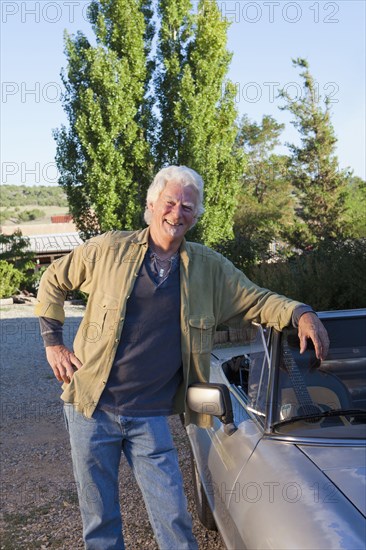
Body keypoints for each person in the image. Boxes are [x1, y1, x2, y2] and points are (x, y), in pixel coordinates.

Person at [35, 165, 329, 550]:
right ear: (151, 204)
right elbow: (53, 279)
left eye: (187, 207)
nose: (177, 213)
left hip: (150, 416)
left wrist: (299, 312)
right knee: (100, 521)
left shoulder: (207, 268)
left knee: (173, 519)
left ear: (196, 214)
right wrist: (52, 342)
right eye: (170, 203)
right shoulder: (109, 249)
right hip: (91, 409)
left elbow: (256, 299)